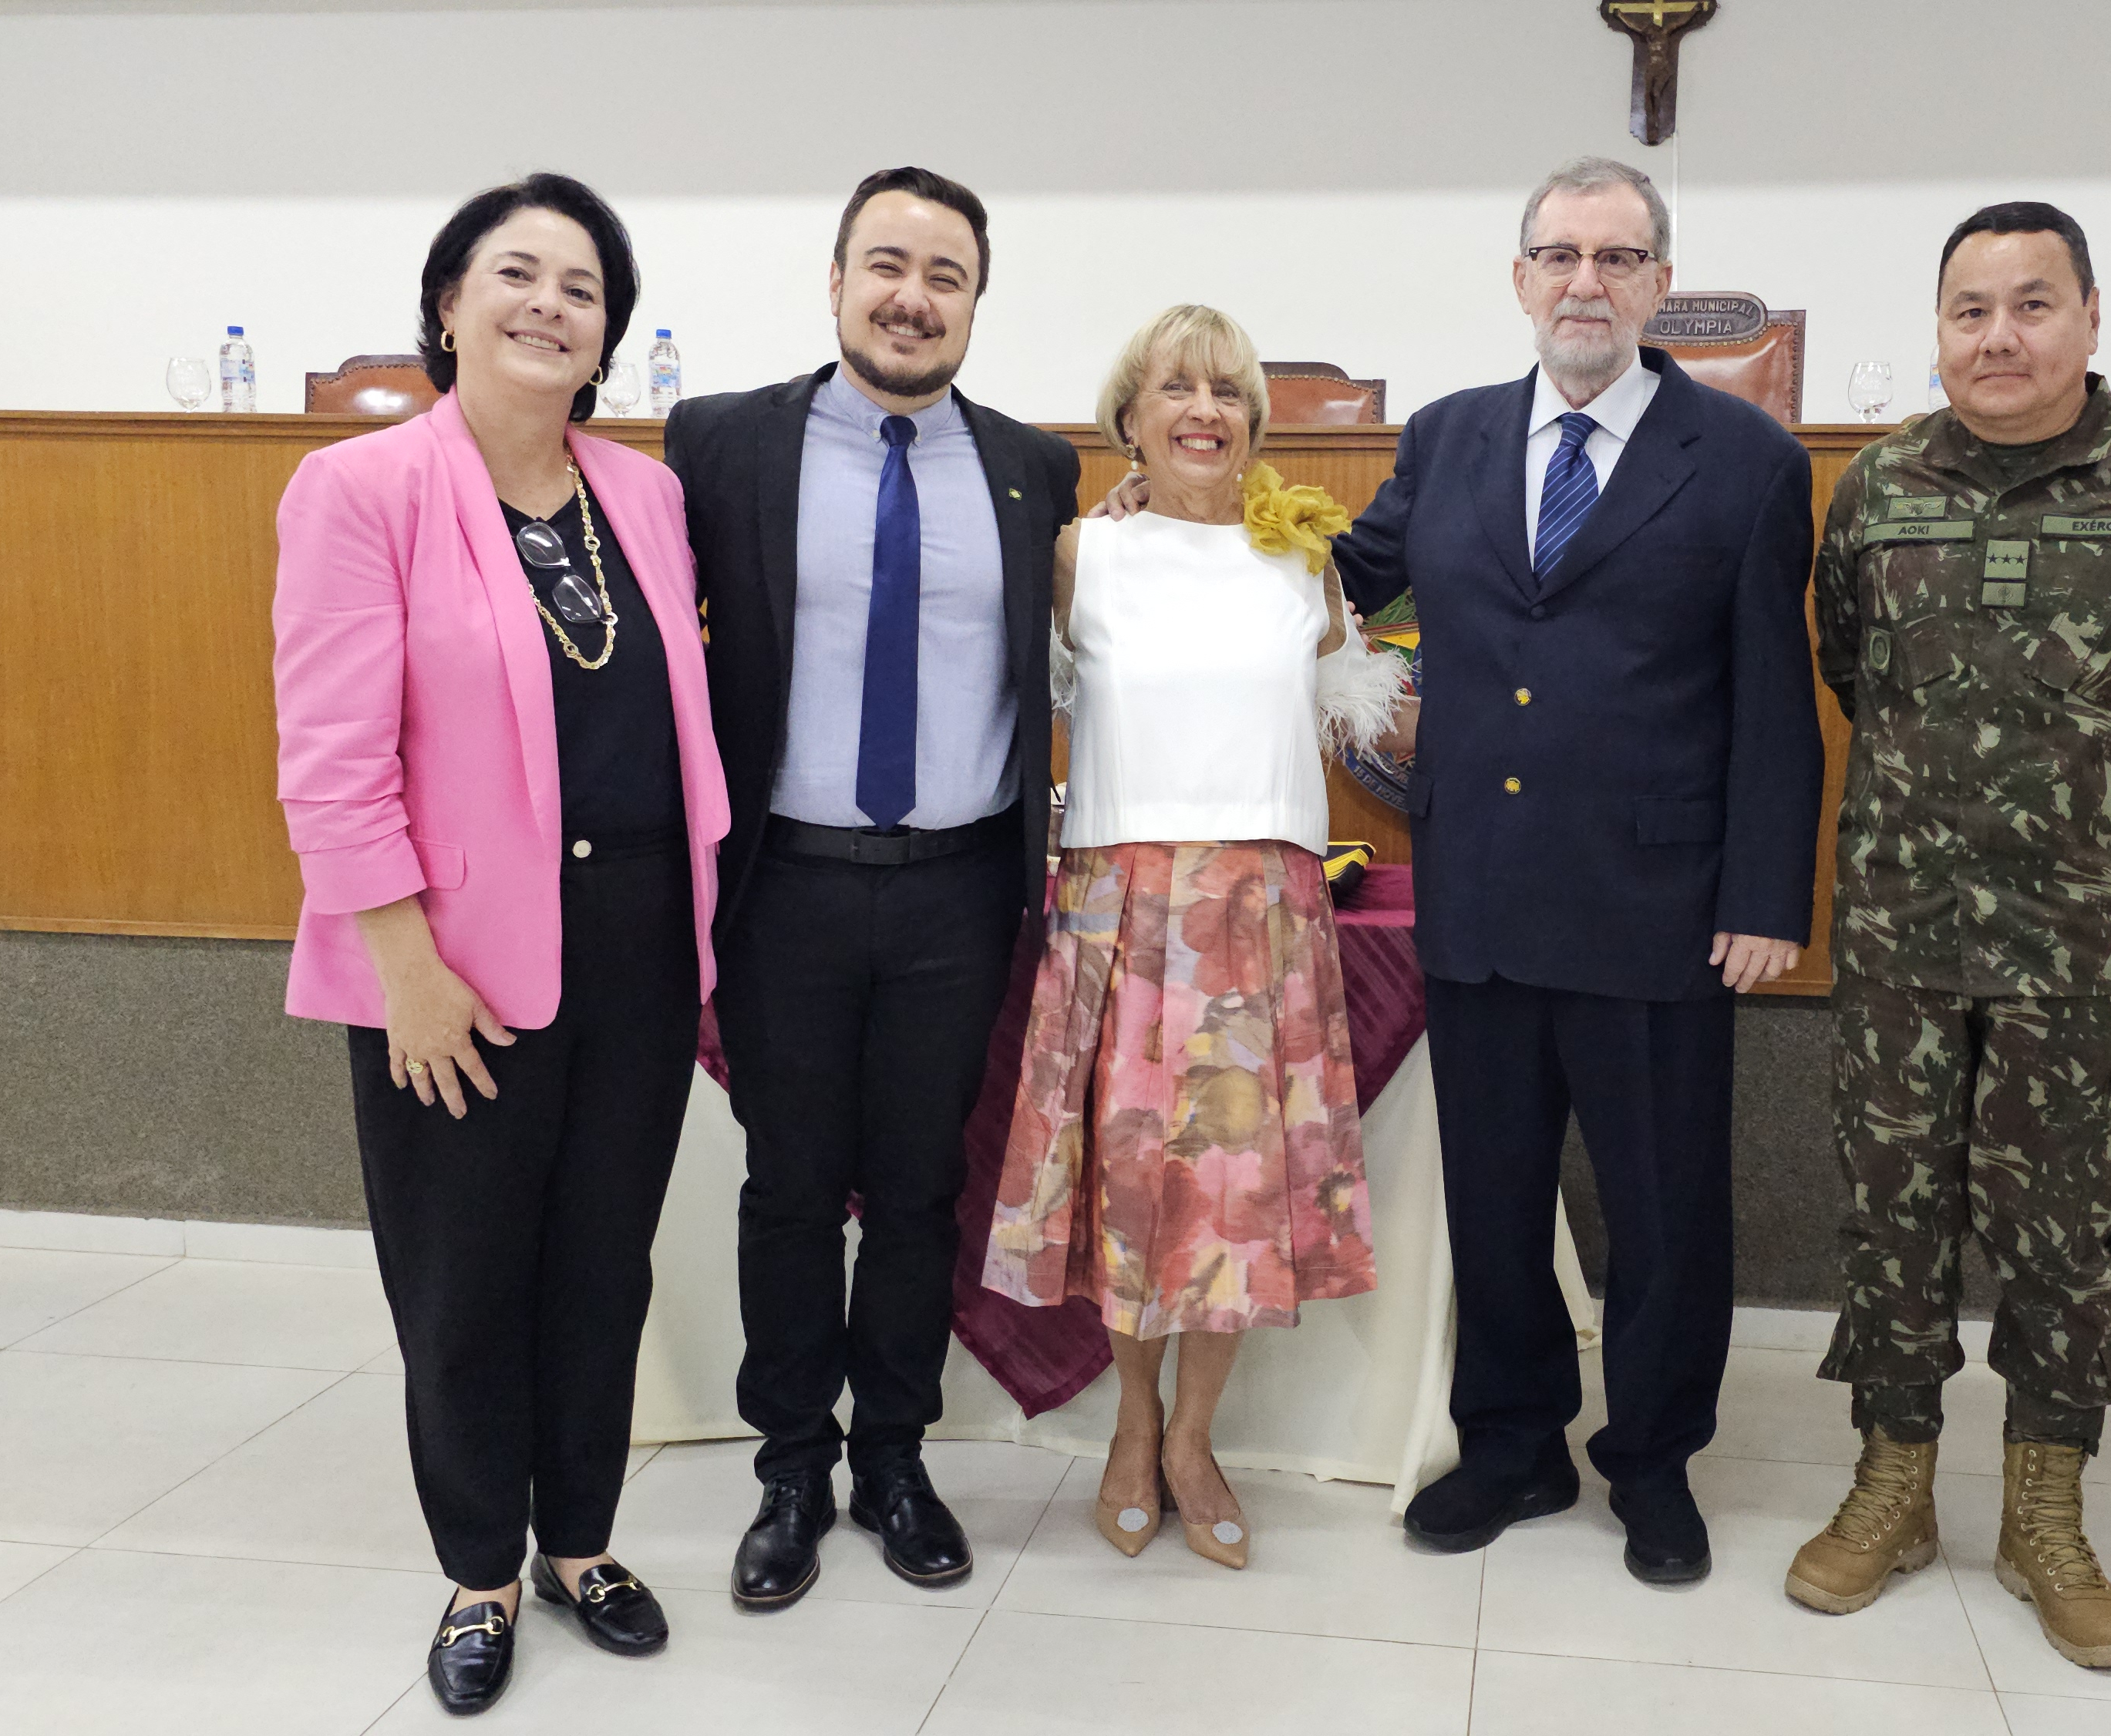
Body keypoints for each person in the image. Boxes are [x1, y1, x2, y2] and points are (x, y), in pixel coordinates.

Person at [1099, 156, 1822, 1581]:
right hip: (1481, 899)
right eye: (1557, 257)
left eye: (1618, 260)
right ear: (1518, 278)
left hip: (1663, 914)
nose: (1585, 284)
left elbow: (1775, 700)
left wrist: (1763, 898)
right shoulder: (1448, 441)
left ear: (1661, 286)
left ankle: (1656, 1462)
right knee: (1493, 1201)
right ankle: (1512, 1446)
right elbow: (1319, 579)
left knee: (1666, 1214)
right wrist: (1155, 533)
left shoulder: (1747, 463)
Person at [1789, 202, 2111, 1669]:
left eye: (2030, 304)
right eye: (1968, 309)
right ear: (1937, 329)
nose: (1997, 337)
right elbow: (1846, 667)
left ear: (2088, 319)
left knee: (2062, 1227)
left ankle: (2046, 1512)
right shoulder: (1876, 490)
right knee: (1892, 1211)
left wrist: (2096, 788)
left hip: (2085, 935)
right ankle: (1893, 1484)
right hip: (1900, 928)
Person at [272, 173, 726, 1715]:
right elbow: (332, 760)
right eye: (515, 274)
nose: (549, 304)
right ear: (449, 302)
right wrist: (401, 964)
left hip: (639, 949)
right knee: (463, 1279)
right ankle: (481, 1566)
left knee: (603, 1265)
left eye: (582, 286)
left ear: (609, 332)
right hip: (447, 965)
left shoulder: (646, 496)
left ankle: (583, 1541)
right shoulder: (362, 491)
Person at [663, 167, 1079, 1605]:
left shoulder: (1034, 467)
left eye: (946, 274)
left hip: (961, 894)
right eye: (887, 265)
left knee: (915, 1192)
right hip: (787, 887)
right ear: (835, 280)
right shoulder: (717, 446)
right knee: (788, 1189)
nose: (914, 296)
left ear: (976, 301)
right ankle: (790, 1466)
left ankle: (895, 1458)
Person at [981, 305, 1404, 1569]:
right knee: (1132, 1192)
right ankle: (1131, 1423)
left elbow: (1370, 708)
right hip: (1121, 905)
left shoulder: (1306, 569)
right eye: (1175, 388)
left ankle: (1193, 1439)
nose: (1203, 409)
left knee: (1232, 1194)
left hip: (1262, 912)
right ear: (1131, 419)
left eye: (1226, 390)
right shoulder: (1077, 560)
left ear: (1256, 426)